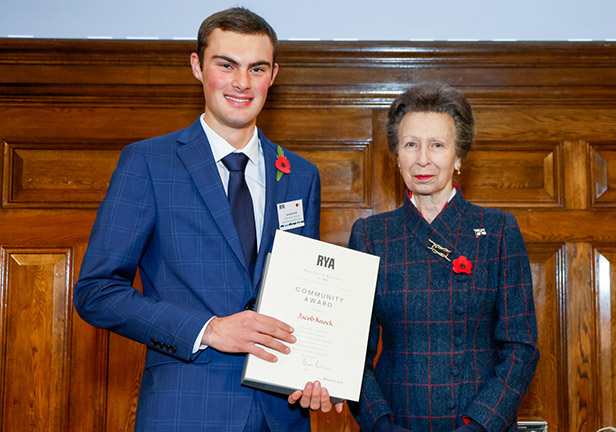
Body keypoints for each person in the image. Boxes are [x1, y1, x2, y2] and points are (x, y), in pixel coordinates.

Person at [74, 7, 340, 432]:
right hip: (186, 412)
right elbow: (96, 292)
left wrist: (316, 373)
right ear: (198, 67)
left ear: (273, 75)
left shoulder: (300, 175)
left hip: (281, 416)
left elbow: (304, 298)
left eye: (256, 68)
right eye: (227, 65)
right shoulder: (147, 163)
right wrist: (209, 330)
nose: (242, 82)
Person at [348, 83, 539, 432]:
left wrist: (480, 425)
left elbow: (521, 347)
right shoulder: (371, 235)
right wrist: (380, 424)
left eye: (437, 145)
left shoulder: (497, 230)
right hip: (397, 423)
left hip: (482, 424)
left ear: (459, 155)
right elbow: (352, 353)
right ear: (396, 156)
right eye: (410, 145)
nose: (423, 159)